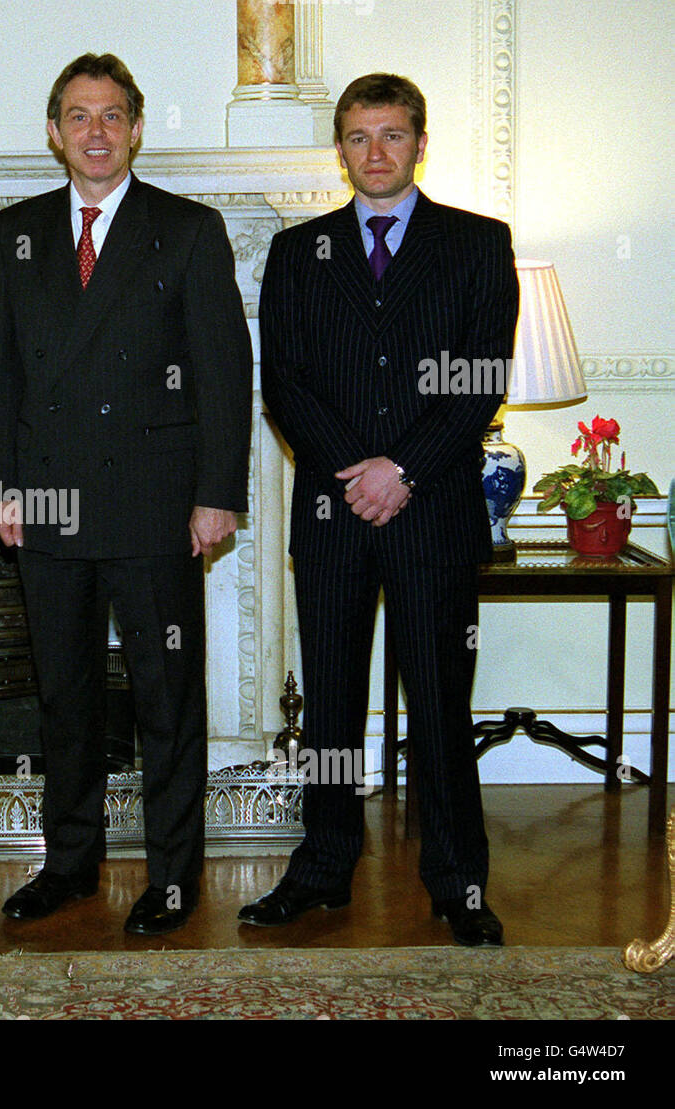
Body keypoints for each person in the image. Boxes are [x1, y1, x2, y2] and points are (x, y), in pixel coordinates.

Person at [0, 54, 252, 935]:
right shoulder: (15, 231)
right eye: (78, 116)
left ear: (136, 128)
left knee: (167, 697)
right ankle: (70, 863)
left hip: (156, 506)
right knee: (64, 696)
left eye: (112, 116)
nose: (96, 132)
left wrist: (218, 495)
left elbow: (224, 373)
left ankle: (172, 876)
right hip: (46, 506)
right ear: (53, 132)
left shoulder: (190, 228)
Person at [243, 73, 519, 945]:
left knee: (439, 701)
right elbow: (284, 381)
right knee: (328, 703)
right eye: (359, 137)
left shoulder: (478, 244)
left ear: (421, 143)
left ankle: (458, 882)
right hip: (332, 515)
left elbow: (480, 380)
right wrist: (354, 473)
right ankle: (324, 865)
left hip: (432, 507)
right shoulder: (299, 251)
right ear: (341, 148)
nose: (376, 153)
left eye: (392, 135)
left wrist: (401, 469)